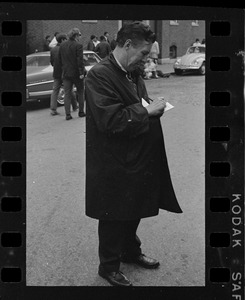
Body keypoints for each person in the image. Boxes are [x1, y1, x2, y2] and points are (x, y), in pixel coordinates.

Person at [85, 21, 183, 287]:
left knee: (134, 206)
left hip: (136, 156)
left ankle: (130, 251)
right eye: (143, 54)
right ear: (127, 45)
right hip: (113, 161)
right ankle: (108, 267)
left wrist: (150, 105)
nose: (145, 60)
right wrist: (146, 112)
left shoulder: (132, 72)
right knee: (113, 214)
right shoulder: (99, 75)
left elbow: (135, 104)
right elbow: (109, 120)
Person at [58, 28, 86, 120]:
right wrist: (81, 73)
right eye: (79, 35)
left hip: (66, 73)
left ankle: (68, 115)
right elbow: (80, 60)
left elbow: (59, 60)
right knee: (80, 92)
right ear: (76, 35)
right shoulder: (78, 45)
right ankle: (81, 112)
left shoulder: (62, 45)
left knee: (67, 93)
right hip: (77, 73)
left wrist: (63, 70)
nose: (80, 37)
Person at [49, 33, 67, 116]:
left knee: (55, 91)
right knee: (69, 89)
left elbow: (52, 62)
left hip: (56, 72)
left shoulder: (53, 49)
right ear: (63, 40)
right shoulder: (64, 48)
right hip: (64, 72)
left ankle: (53, 109)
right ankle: (75, 106)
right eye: (65, 39)